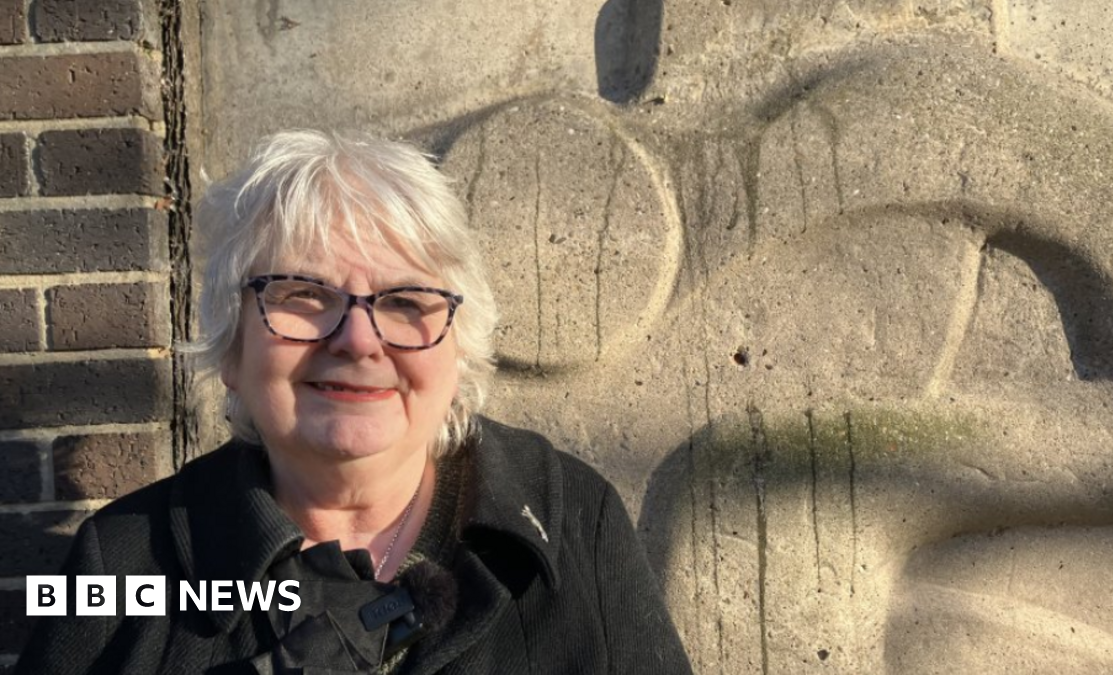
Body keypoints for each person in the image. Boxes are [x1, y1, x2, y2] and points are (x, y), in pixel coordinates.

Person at [17, 130, 693, 674]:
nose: (359, 339)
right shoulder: (123, 560)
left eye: (405, 302)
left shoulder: (573, 520)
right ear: (231, 348)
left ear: (457, 349)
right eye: (302, 296)